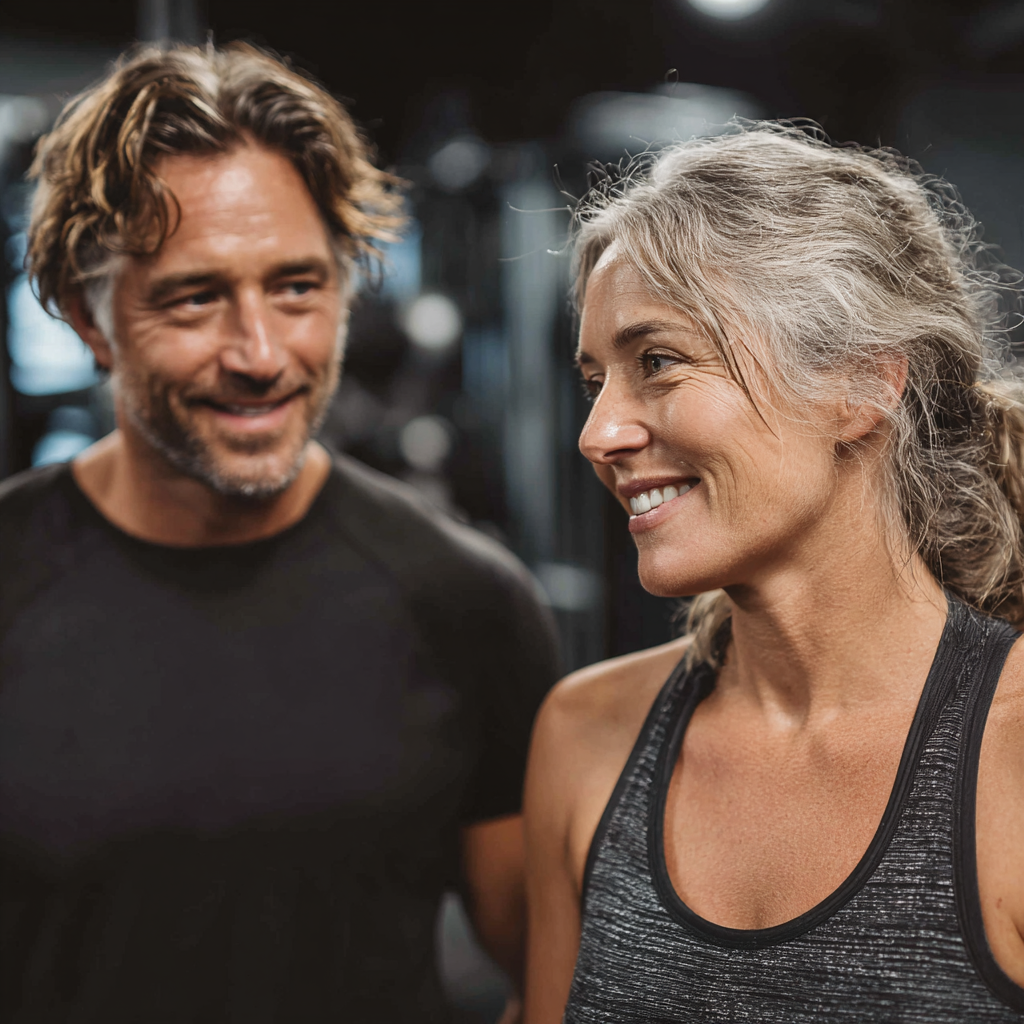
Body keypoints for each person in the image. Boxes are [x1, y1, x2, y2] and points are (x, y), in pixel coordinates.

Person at [0, 43, 559, 1023]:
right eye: (196, 297)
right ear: (88, 319)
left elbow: (551, 979)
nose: (261, 354)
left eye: (298, 287)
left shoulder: (469, 602)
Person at [523, 124, 1024, 1022]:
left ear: (861, 385)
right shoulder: (585, 734)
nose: (598, 435)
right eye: (596, 381)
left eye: (658, 362)